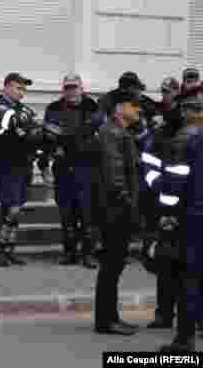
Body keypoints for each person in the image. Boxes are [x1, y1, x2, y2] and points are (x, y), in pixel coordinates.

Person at [148, 96, 203, 351]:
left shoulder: (187, 138)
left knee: (187, 278)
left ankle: (184, 341)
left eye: (186, 109)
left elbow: (174, 181)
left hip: (191, 216)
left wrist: (167, 211)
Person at [92, 90, 142, 336]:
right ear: (120, 108)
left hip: (116, 206)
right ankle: (106, 320)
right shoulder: (111, 132)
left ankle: (110, 317)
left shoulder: (119, 131)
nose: (139, 110)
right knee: (112, 265)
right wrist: (126, 202)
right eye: (135, 105)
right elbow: (115, 173)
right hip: (115, 208)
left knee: (114, 265)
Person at [40, 73, 102, 268]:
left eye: (74, 87)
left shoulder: (93, 107)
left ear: (82, 88)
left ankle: (88, 254)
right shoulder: (53, 108)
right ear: (63, 89)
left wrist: (68, 139)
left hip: (87, 168)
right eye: (67, 87)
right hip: (63, 168)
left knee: (88, 214)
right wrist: (44, 165)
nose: (71, 91)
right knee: (66, 214)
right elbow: (48, 137)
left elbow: (97, 135)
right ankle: (70, 253)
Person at [0, 72, 40, 266]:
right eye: (18, 87)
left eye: (24, 88)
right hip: (7, 162)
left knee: (17, 207)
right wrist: (26, 128)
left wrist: (31, 131)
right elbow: (10, 127)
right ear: (7, 86)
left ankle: (9, 249)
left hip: (25, 162)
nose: (22, 92)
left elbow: (34, 131)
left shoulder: (23, 109)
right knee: (11, 207)